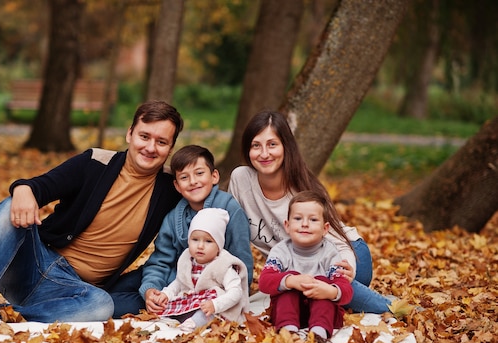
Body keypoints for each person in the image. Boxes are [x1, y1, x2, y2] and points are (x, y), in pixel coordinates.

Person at [0, 100, 184, 341]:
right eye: (144, 136)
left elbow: (206, 202)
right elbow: (38, 185)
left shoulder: (169, 191)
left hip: (78, 292)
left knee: (102, 307)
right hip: (35, 264)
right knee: (9, 208)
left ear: (170, 148)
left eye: (161, 142)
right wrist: (23, 189)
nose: (150, 147)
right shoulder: (94, 163)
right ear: (129, 134)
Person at [228, 110, 392, 314]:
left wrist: (343, 271)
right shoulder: (240, 179)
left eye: (272, 144)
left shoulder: (304, 188)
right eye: (256, 145)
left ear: (285, 147)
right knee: (300, 290)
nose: (264, 153)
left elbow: (339, 241)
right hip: (298, 265)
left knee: (318, 286)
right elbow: (234, 233)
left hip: (346, 255)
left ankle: (394, 307)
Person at [139, 145, 253, 314]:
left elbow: (242, 260)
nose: (193, 181)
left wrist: (236, 299)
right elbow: (161, 261)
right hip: (179, 287)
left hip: (219, 292)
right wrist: (151, 290)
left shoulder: (229, 209)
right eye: (185, 177)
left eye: (199, 173)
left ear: (214, 176)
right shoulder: (173, 218)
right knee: (129, 286)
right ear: (177, 186)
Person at [258, 190, 353, 343]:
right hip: (286, 312)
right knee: (289, 281)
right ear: (287, 226)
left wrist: (330, 290)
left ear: (325, 228)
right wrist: (290, 281)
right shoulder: (281, 251)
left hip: (324, 314)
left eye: (313, 219)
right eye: (297, 218)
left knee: (322, 280)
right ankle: (288, 332)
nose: (304, 224)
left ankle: (318, 336)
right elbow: (264, 282)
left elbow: (347, 290)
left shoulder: (330, 253)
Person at [152, 208, 250, 329]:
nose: (200, 246)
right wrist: (167, 293)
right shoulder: (187, 260)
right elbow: (179, 282)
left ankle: (194, 323)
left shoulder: (223, 265)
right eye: (195, 239)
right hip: (192, 301)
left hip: (215, 308)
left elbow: (236, 292)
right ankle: (176, 318)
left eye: (208, 241)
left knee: (208, 311)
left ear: (218, 245)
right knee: (170, 305)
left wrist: (215, 305)